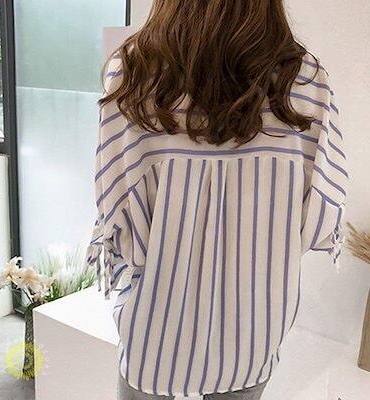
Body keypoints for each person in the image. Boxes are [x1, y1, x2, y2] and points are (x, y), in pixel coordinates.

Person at [85, 1, 348, 399]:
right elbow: (319, 212)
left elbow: (119, 211)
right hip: (255, 324)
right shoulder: (305, 79)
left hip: (155, 320)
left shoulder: (135, 70)